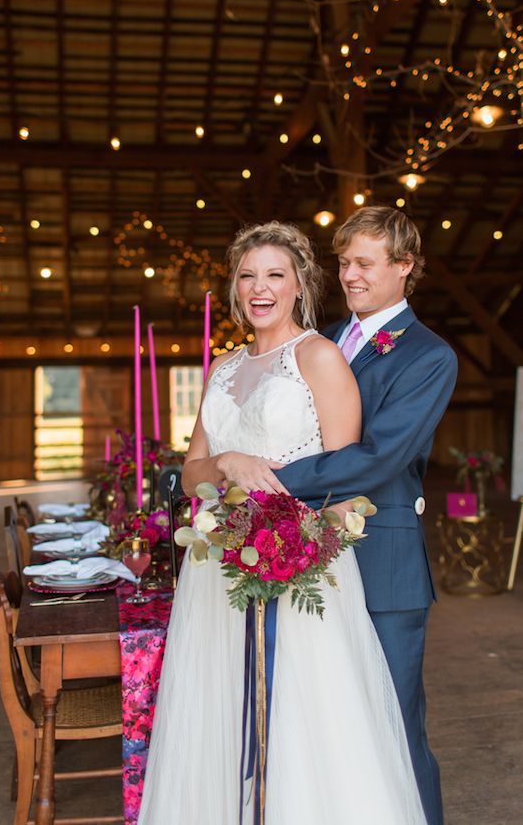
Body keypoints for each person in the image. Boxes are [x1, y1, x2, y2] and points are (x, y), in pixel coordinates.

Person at [138, 221, 427, 825]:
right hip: (218, 573)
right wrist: (224, 463)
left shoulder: (319, 357)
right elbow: (193, 474)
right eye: (247, 276)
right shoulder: (221, 369)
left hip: (300, 567)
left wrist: (279, 525)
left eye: (275, 275)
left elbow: (346, 481)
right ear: (234, 288)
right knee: (221, 716)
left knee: (308, 725)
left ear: (300, 284)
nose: (259, 288)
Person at [265, 206, 457, 825]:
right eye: (344, 262)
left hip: (383, 559)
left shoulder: (429, 356)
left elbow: (380, 457)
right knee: (324, 724)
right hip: (303, 554)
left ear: (404, 268)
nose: (348, 275)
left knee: (394, 722)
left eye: (365, 264)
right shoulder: (318, 338)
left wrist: (268, 481)